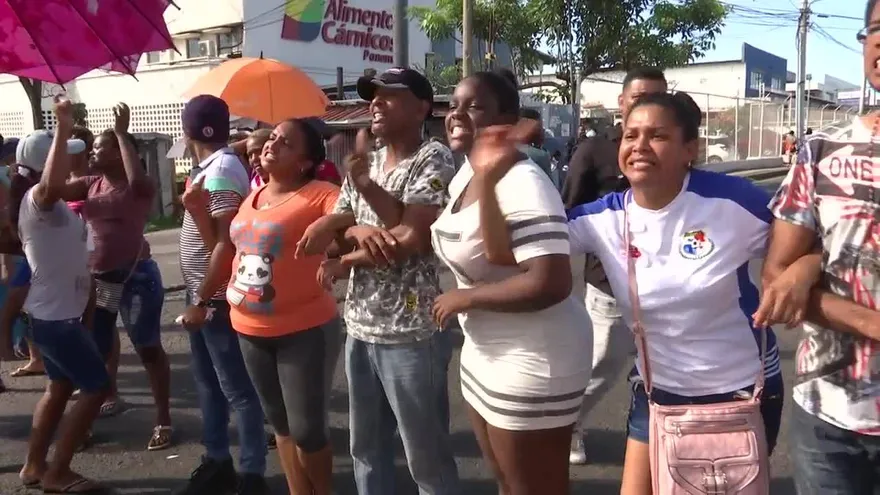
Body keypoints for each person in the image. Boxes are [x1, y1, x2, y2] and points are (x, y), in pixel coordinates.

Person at [483, 91, 815, 494]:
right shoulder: (603, 217)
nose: (639, 146)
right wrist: (489, 176)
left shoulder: (732, 202)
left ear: (689, 149)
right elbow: (507, 252)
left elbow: (814, 236)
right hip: (656, 394)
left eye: (656, 135)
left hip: (735, 397)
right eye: (630, 135)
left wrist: (803, 269)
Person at [299, 67, 460, 495]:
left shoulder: (434, 158)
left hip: (411, 333)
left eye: (390, 95)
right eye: (374, 95)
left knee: (425, 457)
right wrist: (350, 229)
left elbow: (407, 239)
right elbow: (346, 228)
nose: (376, 102)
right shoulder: (365, 162)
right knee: (365, 451)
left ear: (423, 107)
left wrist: (364, 195)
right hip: (360, 327)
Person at [431, 70, 592, 494]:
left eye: (474, 106)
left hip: (535, 356)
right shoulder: (470, 173)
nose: (457, 115)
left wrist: (467, 297)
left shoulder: (525, 182)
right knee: (505, 482)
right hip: (484, 351)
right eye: (454, 105)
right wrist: (484, 177)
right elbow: (500, 254)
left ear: (506, 117)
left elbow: (551, 281)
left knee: (535, 488)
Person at [761, 2, 880, 492]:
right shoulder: (822, 151)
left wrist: (813, 263)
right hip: (829, 418)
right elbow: (776, 278)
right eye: (876, 30)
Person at [228, 118, 343, 495]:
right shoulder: (253, 196)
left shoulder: (319, 193)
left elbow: (354, 217)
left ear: (305, 162)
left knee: (308, 430)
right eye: (272, 137)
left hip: (303, 329)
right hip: (249, 328)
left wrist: (334, 226)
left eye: (286, 143)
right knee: (281, 427)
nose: (271, 144)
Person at [561, 67, 668, 465]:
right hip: (608, 285)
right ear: (622, 103)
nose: (647, 105)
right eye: (639, 97)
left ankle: (653, 433)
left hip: (665, 282)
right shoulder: (593, 152)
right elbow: (569, 214)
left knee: (659, 369)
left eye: (658, 96)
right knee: (601, 365)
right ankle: (569, 423)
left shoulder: (672, 149)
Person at [3, 99, 109, 493]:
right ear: (47, 164)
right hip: (56, 320)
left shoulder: (55, 205)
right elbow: (49, 185)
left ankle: (33, 466)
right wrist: (62, 126)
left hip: (57, 315)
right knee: (96, 387)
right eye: (66, 157)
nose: (75, 163)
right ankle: (58, 471)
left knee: (61, 387)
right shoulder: (38, 200)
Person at [58, 104, 173, 451]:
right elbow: (53, 190)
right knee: (96, 349)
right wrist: (63, 142)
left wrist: (121, 132)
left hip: (137, 279)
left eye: (100, 147)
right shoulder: (91, 183)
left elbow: (136, 179)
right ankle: (88, 421)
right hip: (102, 283)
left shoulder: (138, 186)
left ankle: (163, 419)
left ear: (122, 152)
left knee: (148, 348)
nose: (93, 151)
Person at [176, 94, 269, 495]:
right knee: (210, 385)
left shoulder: (220, 170)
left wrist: (202, 299)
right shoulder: (212, 168)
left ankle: (251, 472)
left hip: (213, 298)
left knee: (237, 389)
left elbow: (224, 244)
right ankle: (218, 461)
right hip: (204, 294)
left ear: (188, 129)